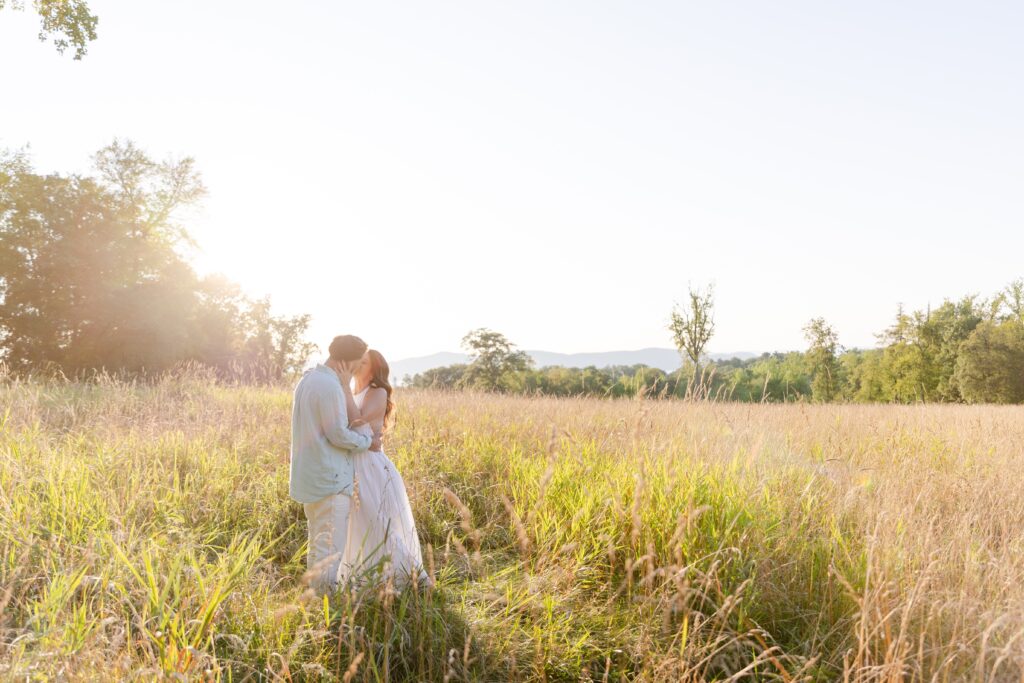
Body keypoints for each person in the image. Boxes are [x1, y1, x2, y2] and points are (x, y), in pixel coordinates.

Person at [289, 334, 375, 593]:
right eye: (358, 364)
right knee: (329, 553)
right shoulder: (329, 386)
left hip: (312, 479)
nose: (358, 369)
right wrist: (365, 438)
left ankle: (313, 603)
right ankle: (325, 612)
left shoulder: (308, 379)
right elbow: (336, 433)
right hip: (330, 480)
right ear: (346, 362)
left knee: (318, 547)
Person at [340, 349, 429, 587]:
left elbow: (357, 422)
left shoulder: (377, 392)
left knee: (376, 520)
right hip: (352, 462)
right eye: (358, 359)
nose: (358, 364)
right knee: (355, 522)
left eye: (364, 361)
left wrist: (344, 389)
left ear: (374, 369)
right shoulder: (355, 390)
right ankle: (363, 577)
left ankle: (409, 575)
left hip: (370, 465)